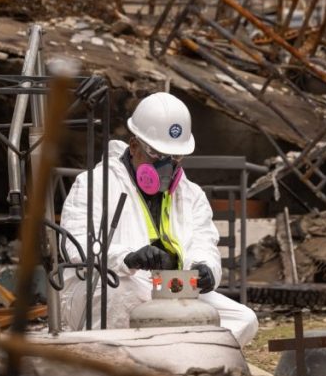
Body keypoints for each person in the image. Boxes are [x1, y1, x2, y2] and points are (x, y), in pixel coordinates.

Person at [59, 92, 259, 346]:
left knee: (243, 318)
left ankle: (182, 361)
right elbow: (75, 244)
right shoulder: (96, 184)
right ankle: (115, 364)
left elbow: (204, 243)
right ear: (134, 146)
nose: (167, 166)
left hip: (170, 291)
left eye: (175, 157)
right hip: (106, 289)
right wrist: (127, 257)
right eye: (157, 154)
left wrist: (206, 269)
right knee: (126, 292)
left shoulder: (191, 194)